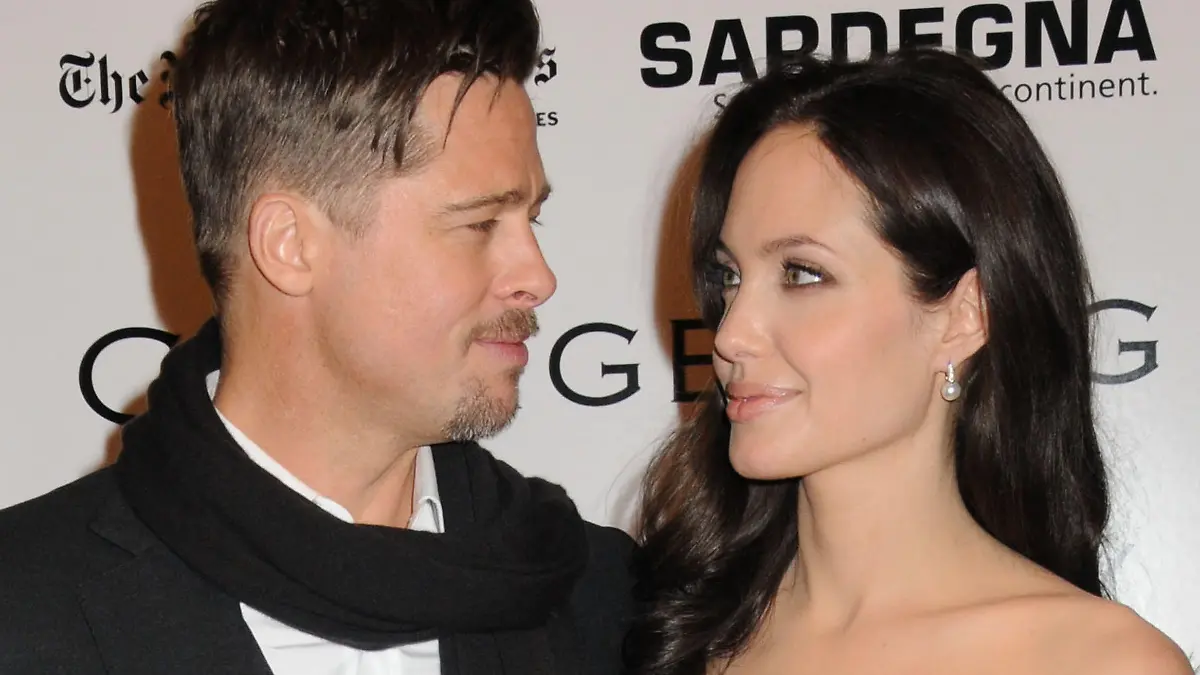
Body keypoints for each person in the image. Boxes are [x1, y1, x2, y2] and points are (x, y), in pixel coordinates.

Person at [0, 1, 633, 673]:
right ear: (290, 245)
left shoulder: (609, 599)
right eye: (479, 223)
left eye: (532, 218)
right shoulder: (22, 605)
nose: (538, 276)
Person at [625, 47, 1191, 675]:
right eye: (730, 276)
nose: (732, 333)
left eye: (802, 274)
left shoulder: (1097, 662)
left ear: (963, 317)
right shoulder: (664, 626)